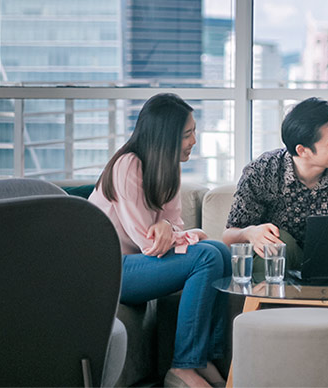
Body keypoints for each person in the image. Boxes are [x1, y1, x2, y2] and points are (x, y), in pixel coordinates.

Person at [88, 93, 231, 388]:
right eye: (188, 134)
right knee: (205, 255)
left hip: (138, 266)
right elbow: (150, 244)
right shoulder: (127, 166)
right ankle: (183, 366)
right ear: (166, 136)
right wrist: (176, 232)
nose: (194, 141)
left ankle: (204, 358)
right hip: (110, 272)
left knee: (220, 250)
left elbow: (174, 225)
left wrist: (168, 226)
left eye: (194, 132)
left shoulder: (168, 168)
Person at [223, 97, 328, 276]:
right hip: (280, 267)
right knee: (280, 242)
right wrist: (249, 233)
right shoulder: (262, 171)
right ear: (302, 150)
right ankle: (265, 301)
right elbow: (228, 237)